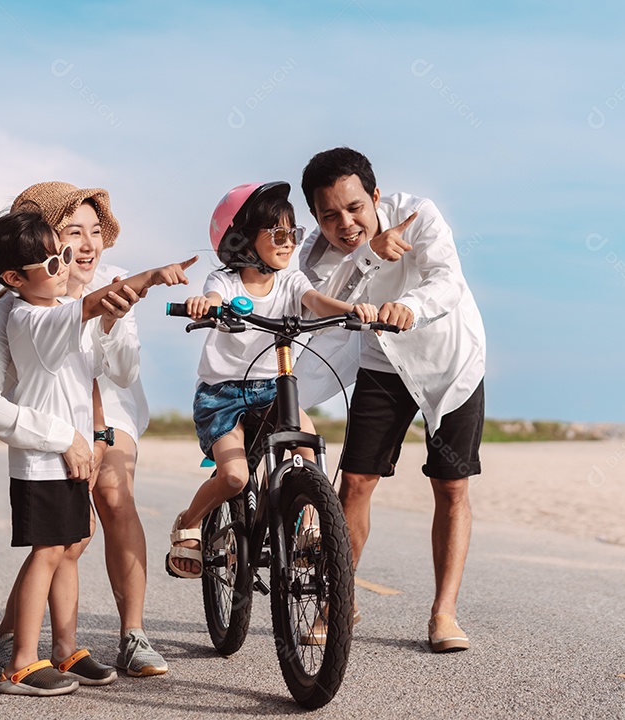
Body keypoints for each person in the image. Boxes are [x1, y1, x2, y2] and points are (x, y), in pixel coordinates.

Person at [0, 182, 193, 678]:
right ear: (40, 246)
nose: (83, 247)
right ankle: (19, 649)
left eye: (94, 232)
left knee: (87, 526)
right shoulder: (23, 310)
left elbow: (113, 371)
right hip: (49, 436)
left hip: (101, 413)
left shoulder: (81, 292)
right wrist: (145, 280)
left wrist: (112, 326)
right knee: (58, 545)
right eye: (69, 234)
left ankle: (97, 641)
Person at [0, 209, 189, 695]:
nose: (65, 266)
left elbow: (92, 378)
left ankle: (66, 648)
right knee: (47, 552)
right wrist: (150, 277)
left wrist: (94, 440)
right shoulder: (28, 318)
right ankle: (22, 661)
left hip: (72, 455)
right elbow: (85, 307)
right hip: (41, 459)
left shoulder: (55, 313)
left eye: (65, 256)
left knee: (70, 548)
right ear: (14, 279)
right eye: (52, 262)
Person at [295, 147, 487, 653]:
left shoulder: (420, 215)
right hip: (382, 362)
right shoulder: (314, 256)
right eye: (329, 214)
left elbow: (447, 281)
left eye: (354, 207)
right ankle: (338, 603)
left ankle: (444, 614)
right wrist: (372, 254)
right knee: (356, 482)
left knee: (451, 487)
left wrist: (409, 305)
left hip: (451, 361)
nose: (346, 223)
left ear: (375, 196)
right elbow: (327, 303)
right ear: (315, 217)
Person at [164, 181, 376, 580]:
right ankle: (189, 522)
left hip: (272, 388)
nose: (288, 243)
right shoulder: (224, 283)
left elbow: (315, 301)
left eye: (292, 234)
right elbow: (211, 300)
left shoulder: (292, 282)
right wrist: (204, 307)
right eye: (277, 234)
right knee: (234, 476)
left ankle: (309, 525)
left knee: (307, 446)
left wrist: (352, 310)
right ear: (242, 239)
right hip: (223, 396)